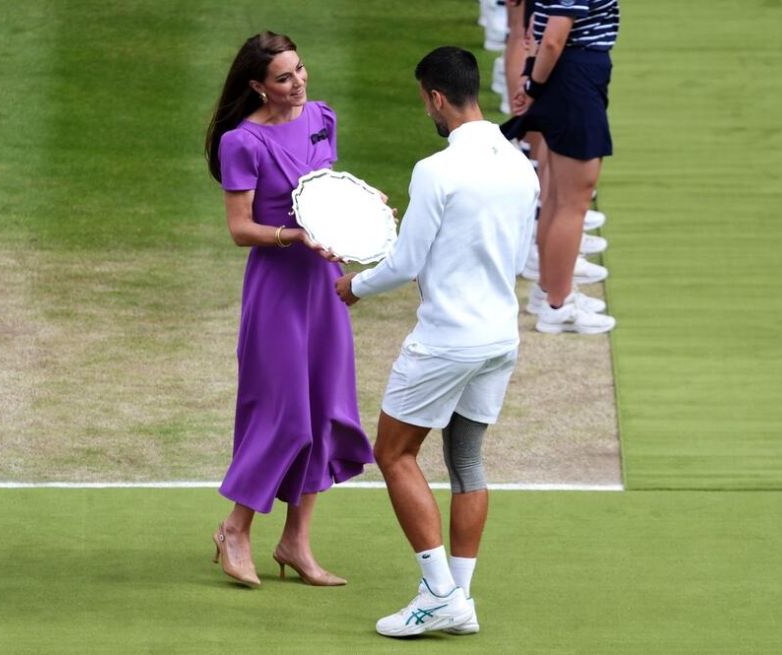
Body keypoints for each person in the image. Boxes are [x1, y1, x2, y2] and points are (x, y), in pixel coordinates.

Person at [335, 46, 539, 637]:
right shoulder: (520, 165)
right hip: (501, 336)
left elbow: (403, 263)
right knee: (466, 460)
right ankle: (459, 601)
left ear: (436, 98)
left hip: (448, 339)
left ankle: (437, 591)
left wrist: (355, 286)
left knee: (394, 453)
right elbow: (510, 253)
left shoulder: (436, 170)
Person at [204, 31, 374, 588]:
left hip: (325, 289)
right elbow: (238, 229)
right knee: (283, 416)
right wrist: (294, 236)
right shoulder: (241, 142)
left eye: (300, 69)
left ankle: (295, 543)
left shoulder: (323, 116)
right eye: (283, 77)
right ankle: (234, 529)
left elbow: (330, 195)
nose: (298, 82)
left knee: (324, 410)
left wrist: (362, 219)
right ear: (257, 85)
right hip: (277, 291)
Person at [504, 0, 620, 334]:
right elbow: (554, 35)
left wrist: (532, 77)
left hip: (566, 74)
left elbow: (538, 24)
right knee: (573, 200)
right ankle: (559, 304)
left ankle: (549, 292)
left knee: (556, 194)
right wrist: (532, 86)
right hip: (572, 78)